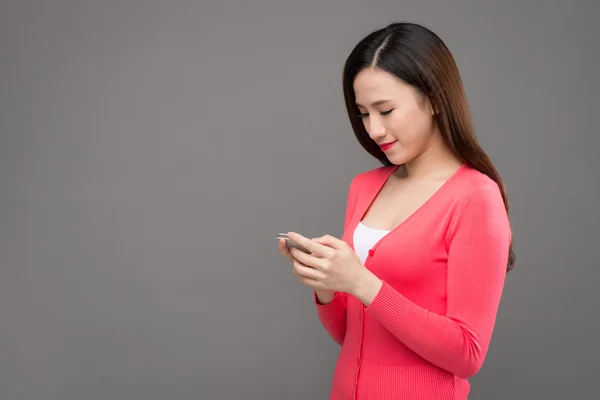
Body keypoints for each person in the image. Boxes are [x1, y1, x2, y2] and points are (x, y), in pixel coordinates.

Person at [278, 22, 515, 399]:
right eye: (363, 114)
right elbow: (350, 334)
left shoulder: (475, 198)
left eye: (385, 110)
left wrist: (362, 283)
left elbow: (467, 354)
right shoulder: (365, 187)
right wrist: (327, 287)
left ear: (435, 98)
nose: (374, 129)